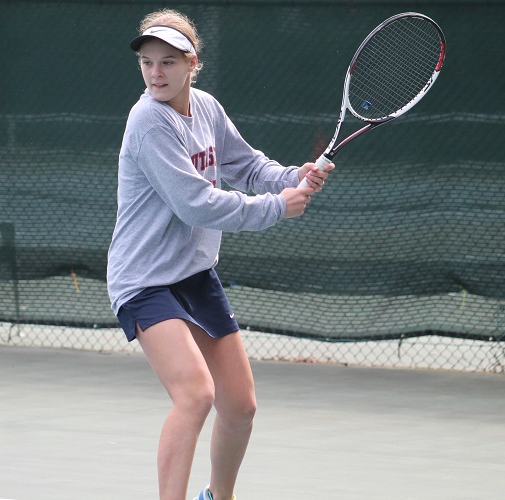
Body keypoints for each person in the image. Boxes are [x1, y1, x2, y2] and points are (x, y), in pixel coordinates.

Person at [106, 9, 333, 500]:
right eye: (147, 62)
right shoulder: (148, 122)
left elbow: (247, 167)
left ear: (193, 64)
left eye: (168, 62)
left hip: (193, 274)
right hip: (144, 280)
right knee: (195, 395)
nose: (155, 73)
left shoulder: (206, 108)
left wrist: (293, 177)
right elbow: (196, 204)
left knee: (240, 405)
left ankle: (219, 496)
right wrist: (276, 207)